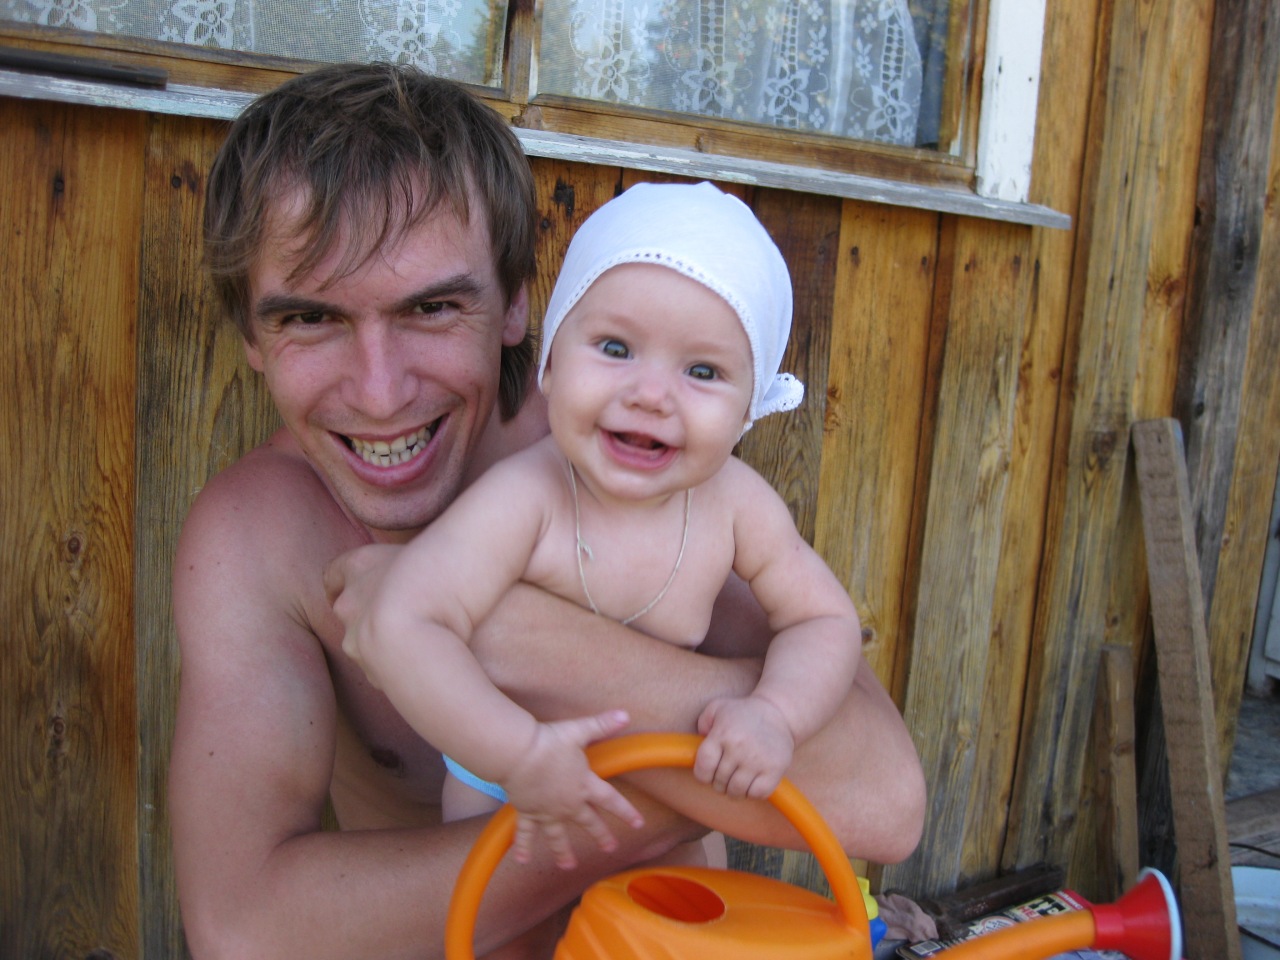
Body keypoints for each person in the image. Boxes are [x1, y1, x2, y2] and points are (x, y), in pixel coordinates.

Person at [168, 61, 925, 960]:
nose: (379, 392)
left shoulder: (623, 464)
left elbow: (880, 798)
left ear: (519, 304)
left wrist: (505, 637)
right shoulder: (257, 534)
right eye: (310, 320)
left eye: (432, 308)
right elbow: (243, 928)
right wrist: (634, 801)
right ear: (252, 337)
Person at [340, 181, 863, 872]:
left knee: (690, 905)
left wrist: (776, 712)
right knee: (508, 911)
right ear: (552, 366)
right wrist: (518, 753)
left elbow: (824, 619)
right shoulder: (526, 499)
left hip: (664, 782)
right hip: (516, 790)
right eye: (615, 348)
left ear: (746, 412)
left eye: (702, 370)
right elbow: (401, 622)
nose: (650, 394)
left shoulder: (737, 506)